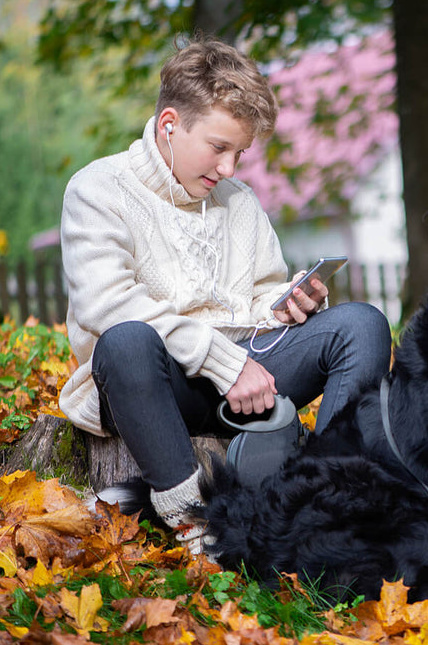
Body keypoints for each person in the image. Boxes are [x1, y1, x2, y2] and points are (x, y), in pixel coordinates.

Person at [58, 35, 391, 555]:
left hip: (249, 376)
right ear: (170, 124)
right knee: (124, 341)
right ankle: (195, 522)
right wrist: (223, 362)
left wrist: (285, 304)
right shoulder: (97, 189)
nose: (230, 169)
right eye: (219, 148)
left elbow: (257, 295)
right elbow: (107, 303)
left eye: (240, 152)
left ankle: (326, 502)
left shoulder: (239, 201)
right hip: (157, 383)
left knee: (361, 323)